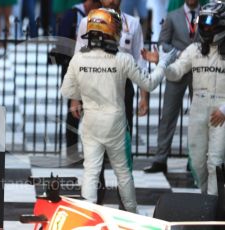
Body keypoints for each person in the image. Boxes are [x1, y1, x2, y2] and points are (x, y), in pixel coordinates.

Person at [61, 8, 177, 213]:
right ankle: (132, 214)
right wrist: (162, 63)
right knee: (123, 173)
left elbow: (68, 90)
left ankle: (88, 216)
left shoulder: (78, 59)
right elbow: (149, 84)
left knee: (91, 171)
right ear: (112, 31)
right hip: (115, 122)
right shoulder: (122, 59)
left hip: (90, 121)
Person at [74, 0, 149, 205]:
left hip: (122, 89)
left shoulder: (132, 24)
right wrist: (75, 98)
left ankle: (125, 205)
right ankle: (94, 201)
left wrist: (144, 96)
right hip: (94, 87)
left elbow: (140, 61)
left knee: (123, 148)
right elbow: (78, 56)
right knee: (93, 152)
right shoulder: (87, 22)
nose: (112, 0)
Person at [159, 1, 225, 195]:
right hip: (198, 109)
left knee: (215, 161)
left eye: (210, 23)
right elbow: (176, 72)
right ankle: (206, 195)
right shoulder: (194, 49)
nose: (205, 27)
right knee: (196, 161)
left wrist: (224, 110)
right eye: (203, 23)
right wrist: (162, 65)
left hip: (220, 112)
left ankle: (212, 205)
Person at [144, 0, 200, 174]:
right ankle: (160, 159)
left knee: (198, 117)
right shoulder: (173, 16)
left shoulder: (206, 15)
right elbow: (163, 43)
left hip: (198, 71)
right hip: (177, 69)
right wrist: (180, 54)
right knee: (168, 115)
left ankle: (195, 160)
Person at [56, 0, 101, 160]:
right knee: (74, 110)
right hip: (73, 67)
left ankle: (96, 150)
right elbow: (61, 42)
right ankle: (72, 150)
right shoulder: (73, 14)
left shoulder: (101, 16)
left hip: (96, 69)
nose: (95, 6)